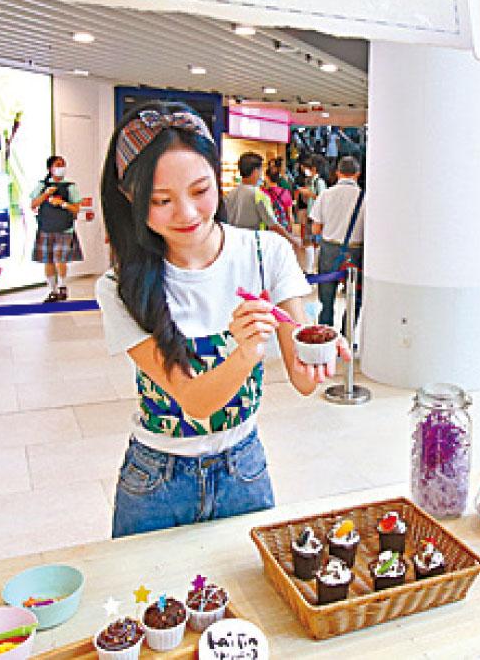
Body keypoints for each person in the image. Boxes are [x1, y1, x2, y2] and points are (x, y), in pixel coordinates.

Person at [96, 103, 347, 537]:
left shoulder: (266, 254)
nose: (187, 213)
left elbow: (303, 380)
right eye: (161, 200)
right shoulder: (120, 285)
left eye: (200, 190)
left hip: (243, 468)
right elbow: (195, 403)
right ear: (130, 197)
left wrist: (317, 351)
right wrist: (244, 352)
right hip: (155, 479)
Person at [309, 156, 365, 328]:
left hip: (329, 250)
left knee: (326, 300)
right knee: (354, 299)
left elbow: (315, 229)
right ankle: (346, 333)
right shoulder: (365, 198)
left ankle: (326, 334)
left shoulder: (326, 194)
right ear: (357, 174)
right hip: (356, 253)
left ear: (338, 173)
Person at [30, 155, 83, 302]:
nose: (61, 168)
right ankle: (52, 290)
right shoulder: (42, 185)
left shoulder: (70, 187)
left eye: (63, 165)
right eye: (58, 165)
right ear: (50, 168)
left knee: (60, 259)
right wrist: (46, 194)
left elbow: (76, 209)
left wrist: (62, 204)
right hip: (45, 228)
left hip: (64, 229)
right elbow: (33, 204)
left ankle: (62, 286)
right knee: (48, 260)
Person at [224, 152, 298, 249]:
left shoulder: (230, 194)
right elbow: (273, 225)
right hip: (253, 245)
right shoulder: (259, 195)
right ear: (255, 171)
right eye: (260, 170)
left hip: (233, 243)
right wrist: (293, 240)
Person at [261, 161, 294, 233]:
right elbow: (290, 215)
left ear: (266, 177)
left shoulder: (262, 193)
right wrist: (289, 231)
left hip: (268, 229)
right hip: (282, 229)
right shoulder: (285, 192)